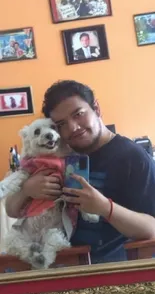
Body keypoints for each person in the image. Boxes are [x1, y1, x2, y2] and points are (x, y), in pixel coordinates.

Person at [5, 80, 155, 264]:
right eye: (61, 124)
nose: (73, 128)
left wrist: (105, 208)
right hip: (55, 263)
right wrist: (26, 189)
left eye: (78, 114)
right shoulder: (58, 154)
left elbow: (152, 228)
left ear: (96, 108)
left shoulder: (132, 158)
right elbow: (11, 210)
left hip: (106, 269)